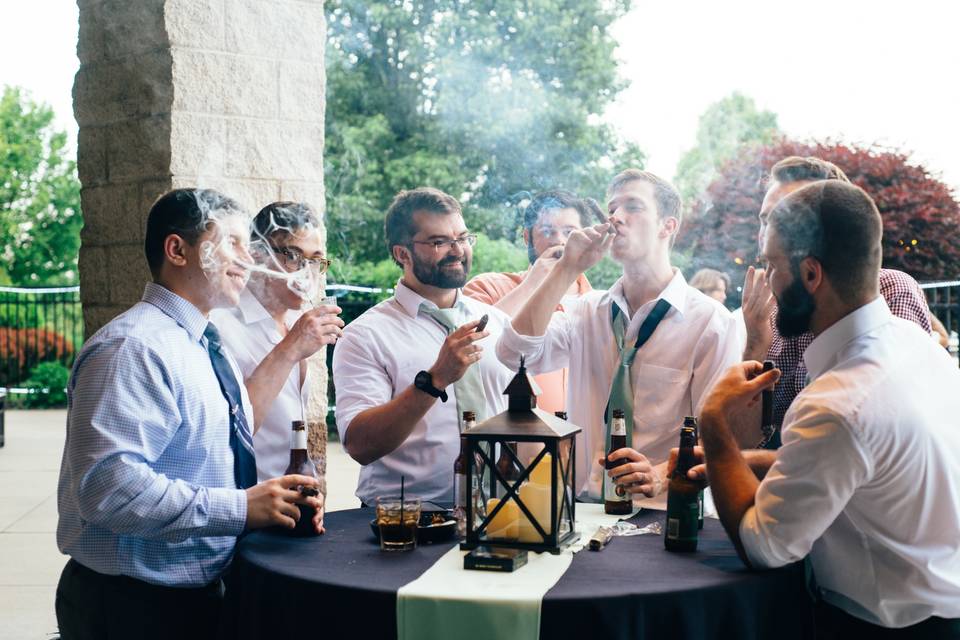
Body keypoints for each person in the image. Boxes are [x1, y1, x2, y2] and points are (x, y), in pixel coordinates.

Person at [55, 189, 324, 640]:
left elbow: (211, 459)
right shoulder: (133, 347)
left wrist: (275, 505)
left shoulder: (202, 343)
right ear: (177, 250)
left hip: (192, 595)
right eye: (233, 244)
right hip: (131, 607)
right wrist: (241, 507)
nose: (250, 260)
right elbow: (108, 490)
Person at [696, 180, 960, 637]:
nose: (767, 282)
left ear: (811, 274)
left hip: (881, 628)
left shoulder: (839, 402)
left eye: (770, 265)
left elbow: (766, 547)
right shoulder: (918, 344)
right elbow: (864, 465)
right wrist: (744, 463)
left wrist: (714, 425)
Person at [497, 169, 741, 502]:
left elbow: (718, 435)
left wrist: (659, 475)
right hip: (581, 509)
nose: (616, 217)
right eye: (612, 208)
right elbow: (513, 354)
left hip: (660, 511)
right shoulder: (585, 312)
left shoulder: (712, 323)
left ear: (667, 226)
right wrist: (568, 268)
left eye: (633, 207)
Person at [332, 187, 513, 506]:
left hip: (500, 512)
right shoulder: (365, 335)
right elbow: (360, 446)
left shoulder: (497, 322)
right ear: (402, 254)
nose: (458, 250)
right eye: (439, 242)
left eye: (463, 237)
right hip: (407, 522)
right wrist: (434, 380)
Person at [740, 156, 931, 446]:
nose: (771, 231)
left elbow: (882, 426)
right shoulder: (762, 310)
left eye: (788, 217)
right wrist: (755, 342)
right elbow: (746, 441)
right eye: (766, 219)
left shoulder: (888, 289)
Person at [211, 201, 344, 482]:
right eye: (293, 256)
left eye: (316, 260)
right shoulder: (221, 327)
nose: (306, 272)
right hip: (243, 510)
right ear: (258, 255)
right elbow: (227, 431)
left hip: (290, 507)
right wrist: (291, 347)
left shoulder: (295, 323)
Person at [463, 190, 594, 413]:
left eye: (570, 232)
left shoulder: (598, 307)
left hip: (582, 442)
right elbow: (469, 348)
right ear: (527, 237)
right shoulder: (488, 287)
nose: (560, 240)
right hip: (504, 440)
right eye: (547, 230)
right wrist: (534, 283)